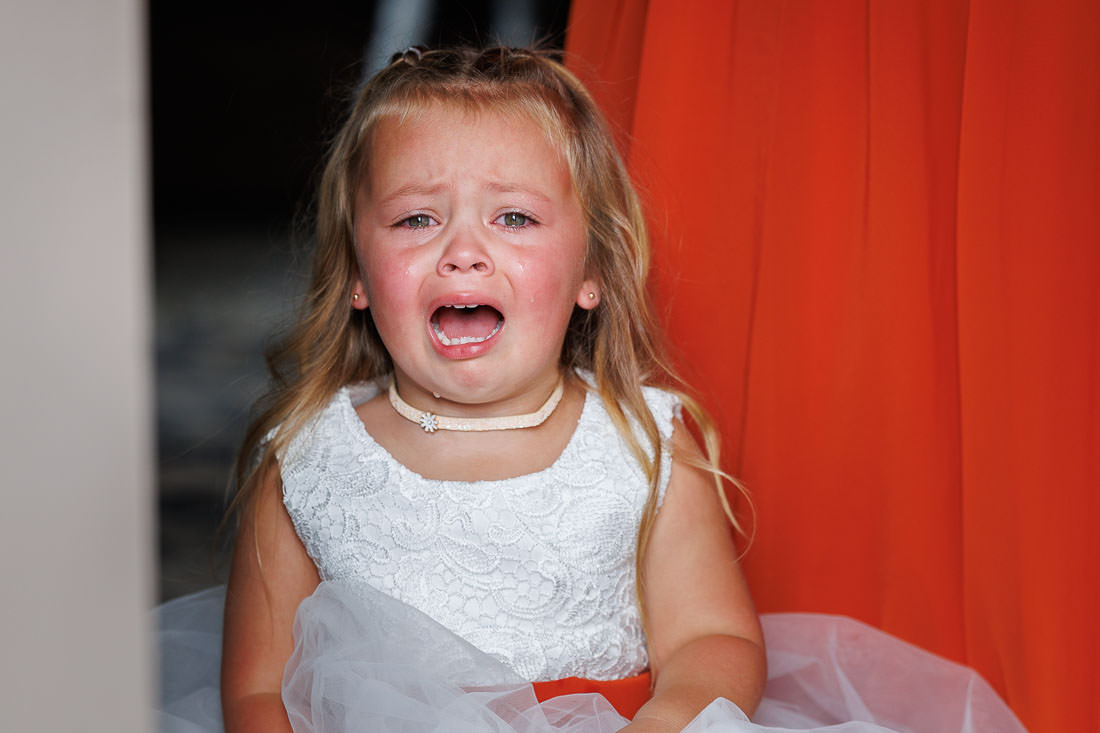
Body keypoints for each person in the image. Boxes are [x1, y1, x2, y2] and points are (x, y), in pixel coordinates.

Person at [156, 46, 1027, 733]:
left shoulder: (639, 442)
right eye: (418, 217)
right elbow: (258, 688)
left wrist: (664, 722)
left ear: (591, 274)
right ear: (356, 271)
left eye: (514, 217)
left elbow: (712, 637)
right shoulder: (308, 459)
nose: (464, 251)